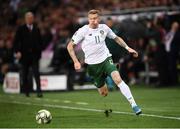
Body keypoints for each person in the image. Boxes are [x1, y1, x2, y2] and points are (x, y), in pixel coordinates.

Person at [67, 9, 142, 115]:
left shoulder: (104, 28)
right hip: (93, 66)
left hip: (106, 59)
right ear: (88, 20)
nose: (93, 21)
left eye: (95, 18)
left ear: (99, 18)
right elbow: (70, 46)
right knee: (104, 93)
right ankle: (104, 77)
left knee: (118, 79)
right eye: (91, 19)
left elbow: (116, 38)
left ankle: (134, 105)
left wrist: (128, 48)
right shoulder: (83, 31)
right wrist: (76, 61)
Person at [13, 12, 43, 97]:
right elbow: (16, 42)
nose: (30, 19)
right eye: (29, 18)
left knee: (36, 73)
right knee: (25, 74)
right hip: (24, 55)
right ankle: (26, 91)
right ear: (25, 19)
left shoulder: (36, 29)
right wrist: (17, 51)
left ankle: (39, 91)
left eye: (32, 17)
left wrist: (39, 52)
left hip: (34, 56)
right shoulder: (21, 29)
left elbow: (40, 41)